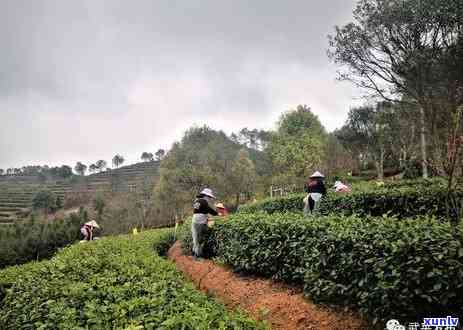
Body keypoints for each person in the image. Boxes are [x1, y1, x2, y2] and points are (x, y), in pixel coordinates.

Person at [192, 188, 218, 260]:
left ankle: (194, 253)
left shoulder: (196, 200)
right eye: (209, 197)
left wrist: (207, 217)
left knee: (195, 238)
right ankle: (198, 256)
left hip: (195, 221)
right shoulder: (204, 201)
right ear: (205, 195)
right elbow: (209, 210)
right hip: (200, 222)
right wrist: (217, 213)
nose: (209, 198)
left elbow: (202, 211)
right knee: (200, 240)